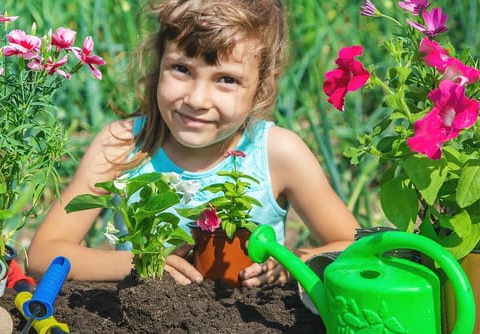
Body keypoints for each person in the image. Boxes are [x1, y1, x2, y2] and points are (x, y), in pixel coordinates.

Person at [27, 0, 359, 288]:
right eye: (182, 69)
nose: (197, 99)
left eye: (226, 79)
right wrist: (141, 264)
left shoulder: (277, 153)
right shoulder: (123, 144)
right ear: (159, 63)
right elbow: (43, 253)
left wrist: (294, 264)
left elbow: (355, 246)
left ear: (262, 85)